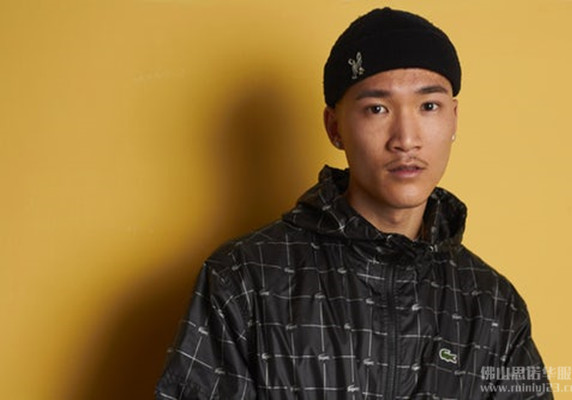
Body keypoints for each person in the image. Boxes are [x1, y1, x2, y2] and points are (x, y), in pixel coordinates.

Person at [155, 8, 552, 399]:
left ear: (454, 118)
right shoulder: (244, 280)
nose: (406, 139)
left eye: (428, 106)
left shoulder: (493, 306)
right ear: (335, 127)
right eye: (377, 109)